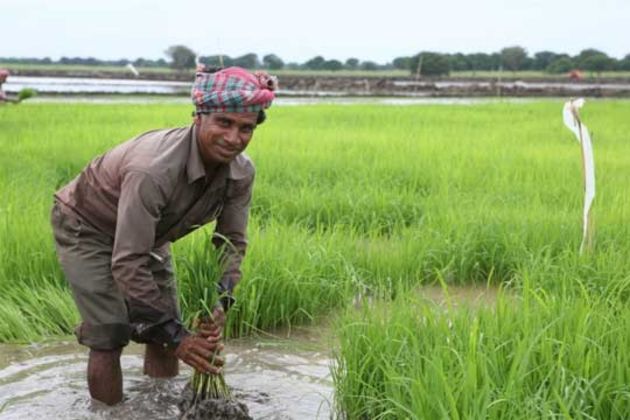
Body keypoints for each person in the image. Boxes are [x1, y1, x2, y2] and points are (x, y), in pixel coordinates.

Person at [51, 66, 277, 405]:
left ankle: (157, 406)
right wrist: (180, 340)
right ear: (198, 117)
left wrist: (220, 303)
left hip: (148, 234)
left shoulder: (240, 172)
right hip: (88, 224)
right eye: (224, 123)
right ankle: (110, 415)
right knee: (109, 332)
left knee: (163, 323)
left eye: (246, 128)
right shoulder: (153, 170)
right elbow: (128, 261)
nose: (234, 138)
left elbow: (230, 243)